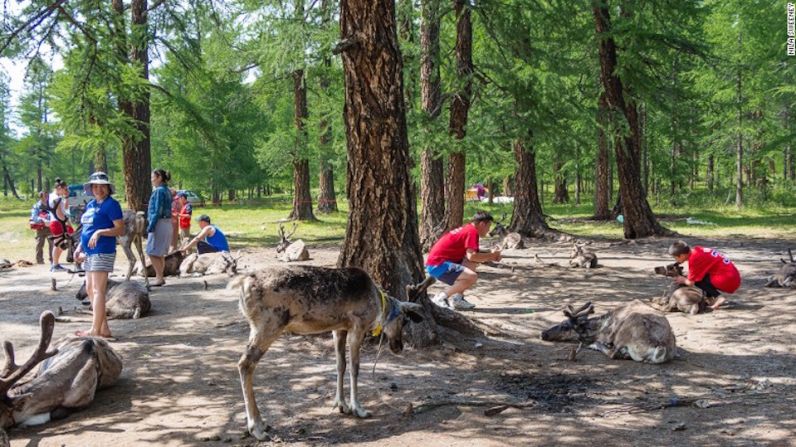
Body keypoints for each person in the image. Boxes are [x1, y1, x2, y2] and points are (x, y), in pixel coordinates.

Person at [73, 171, 124, 338]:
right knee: (89, 288)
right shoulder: (91, 205)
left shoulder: (112, 205)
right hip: (88, 252)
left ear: (108, 188)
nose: (98, 189)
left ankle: (94, 330)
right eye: (95, 186)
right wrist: (79, 247)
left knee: (98, 290)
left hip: (103, 250)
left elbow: (120, 228)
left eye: (102, 186)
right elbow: (87, 230)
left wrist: (101, 232)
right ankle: (103, 328)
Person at [425, 211, 502, 310]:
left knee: (471, 264)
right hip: (438, 265)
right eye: (489, 226)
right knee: (472, 277)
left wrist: (491, 254)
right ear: (482, 224)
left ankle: (458, 299)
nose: (488, 230)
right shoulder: (472, 232)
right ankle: (440, 298)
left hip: (437, 264)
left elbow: (472, 255)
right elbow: (472, 256)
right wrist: (492, 256)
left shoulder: (469, 228)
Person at [668, 240, 741, 310]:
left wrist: (683, 280)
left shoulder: (694, 259)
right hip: (733, 277)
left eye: (675, 257)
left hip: (727, 280)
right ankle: (710, 299)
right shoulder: (698, 250)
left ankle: (718, 297)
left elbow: (691, 282)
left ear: (682, 255)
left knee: (697, 280)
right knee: (699, 276)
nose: (675, 260)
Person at [146, 169, 174, 286]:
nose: (151, 179)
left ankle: (159, 277)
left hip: (159, 223)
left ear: (159, 178)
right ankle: (160, 276)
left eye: (153, 177)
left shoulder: (158, 191)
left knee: (151, 252)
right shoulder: (167, 190)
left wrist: (151, 226)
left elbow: (157, 210)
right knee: (160, 253)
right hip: (167, 223)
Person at [47, 178, 73, 272]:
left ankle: (56, 264)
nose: (65, 191)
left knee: (60, 244)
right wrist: (65, 222)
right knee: (58, 243)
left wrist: (66, 198)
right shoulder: (55, 198)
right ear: (59, 188)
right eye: (64, 189)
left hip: (57, 222)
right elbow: (59, 213)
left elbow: (64, 208)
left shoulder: (55, 196)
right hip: (57, 222)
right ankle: (55, 264)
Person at [29, 191, 53, 265]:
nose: (47, 197)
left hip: (50, 227)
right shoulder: (36, 206)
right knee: (39, 244)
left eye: (47, 196)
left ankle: (53, 259)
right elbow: (34, 217)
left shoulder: (51, 205)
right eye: (45, 196)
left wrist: (50, 221)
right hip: (41, 228)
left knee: (52, 244)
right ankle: (39, 261)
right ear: (41, 197)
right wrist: (43, 220)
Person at [169, 187, 180, 252]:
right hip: (172, 219)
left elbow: (177, 211)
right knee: (173, 236)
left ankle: (173, 249)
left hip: (173, 220)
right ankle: (173, 248)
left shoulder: (175, 201)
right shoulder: (174, 200)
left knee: (173, 236)